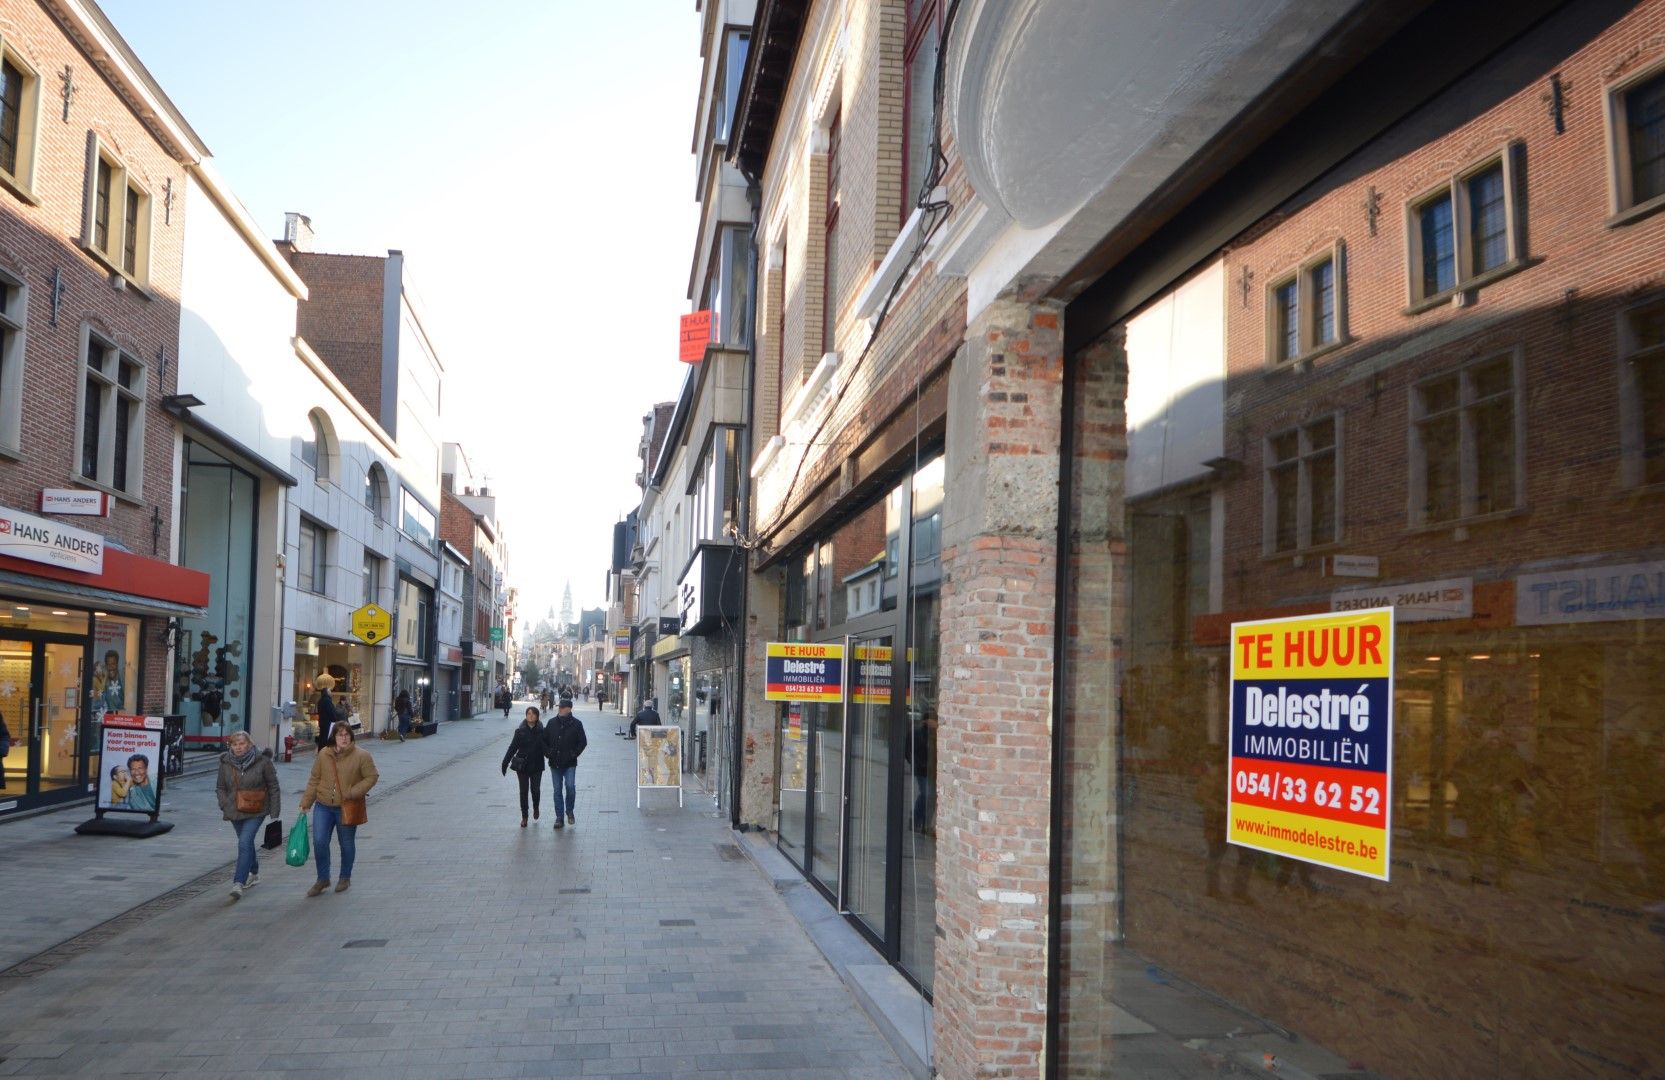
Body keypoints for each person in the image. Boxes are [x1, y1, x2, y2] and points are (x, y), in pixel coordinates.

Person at [298, 722, 379, 895]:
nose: (343, 738)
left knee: (346, 843)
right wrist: (306, 802)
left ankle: (345, 877)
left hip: (347, 806)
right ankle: (322, 878)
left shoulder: (362, 755)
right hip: (323, 805)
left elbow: (372, 776)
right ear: (333, 737)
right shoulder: (323, 754)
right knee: (319, 841)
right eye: (340, 734)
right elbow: (314, 779)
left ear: (351, 736)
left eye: (347, 734)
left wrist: (353, 792)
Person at [216, 729, 281, 900]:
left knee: (244, 842)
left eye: (242, 743)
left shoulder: (263, 761)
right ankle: (255, 872)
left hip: (257, 809)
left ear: (250, 744)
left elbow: (273, 786)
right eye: (235, 744)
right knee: (246, 843)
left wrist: (275, 812)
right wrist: (224, 804)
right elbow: (221, 787)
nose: (238, 747)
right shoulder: (225, 763)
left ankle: (238, 883)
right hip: (235, 809)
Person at [543, 697, 587, 828]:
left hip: (569, 763)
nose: (559, 709)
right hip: (555, 762)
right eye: (559, 707)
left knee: (570, 787)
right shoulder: (551, 723)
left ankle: (570, 811)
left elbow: (583, 742)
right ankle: (559, 817)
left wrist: (574, 754)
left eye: (562, 707)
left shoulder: (577, 724)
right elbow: (543, 741)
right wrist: (548, 753)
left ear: (569, 709)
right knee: (557, 790)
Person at [501, 705, 547, 827]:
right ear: (526, 716)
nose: (530, 716)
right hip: (522, 766)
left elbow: (547, 748)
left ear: (537, 716)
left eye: (533, 714)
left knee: (535, 790)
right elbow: (512, 748)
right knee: (523, 791)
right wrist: (505, 762)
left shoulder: (542, 731)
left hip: (537, 765)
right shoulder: (520, 731)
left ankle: (536, 807)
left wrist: (553, 757)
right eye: (528, 714)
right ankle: (524, 816)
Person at [313, 673, 339, 750]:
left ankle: (321, 752)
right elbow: (332, 713)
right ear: (327, 691)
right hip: (328, 723)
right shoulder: (327, 701)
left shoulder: (321, 700)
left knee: (322, 737)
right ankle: (323, 752)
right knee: (325, 738)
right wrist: (335, 719)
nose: (331, 692)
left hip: (322, 722)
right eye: (330, 690)